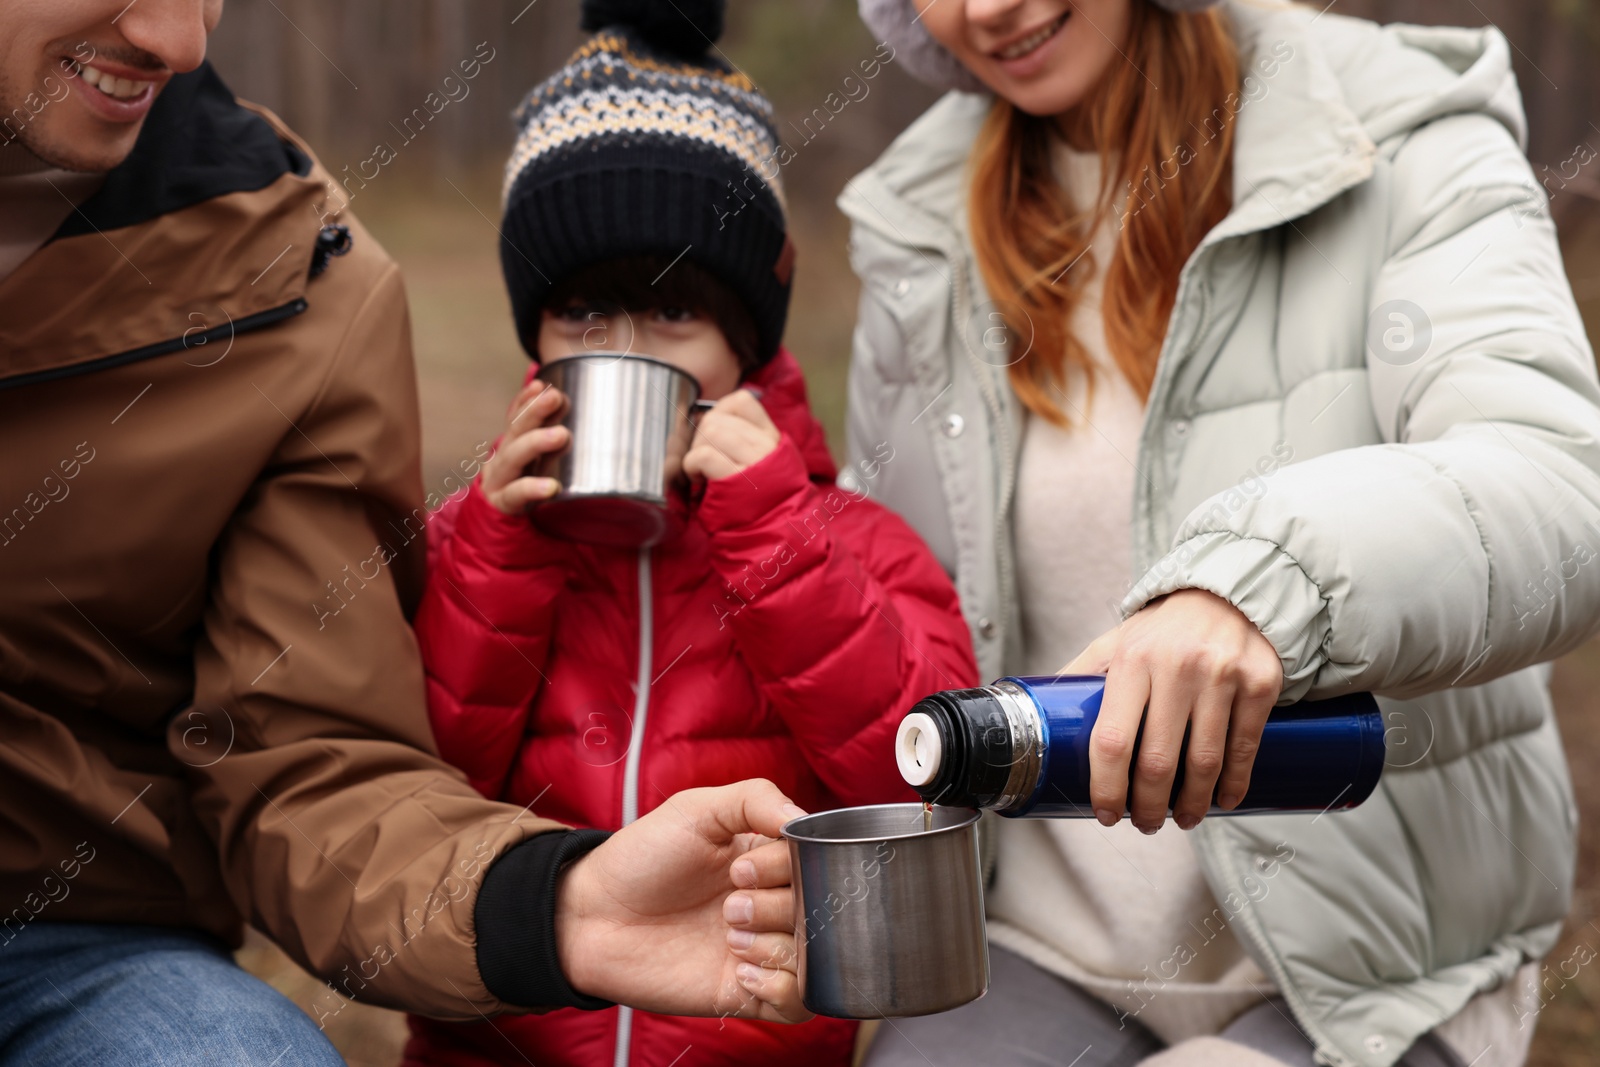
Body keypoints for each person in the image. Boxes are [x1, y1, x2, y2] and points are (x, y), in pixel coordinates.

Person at [0, 2, 810, 1064]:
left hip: (64, 938)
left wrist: (559, 903)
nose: (179, 39)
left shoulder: (296, 283)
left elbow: (314, 756)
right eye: (585, 313)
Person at [841, 1, 1600, 1066]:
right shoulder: (911, 220)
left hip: (1368, 967)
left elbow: (1561, 489)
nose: (984, 10)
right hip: (1027, 947)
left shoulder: (1403, 131)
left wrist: (1264, 585)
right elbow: (888, 598)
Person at [401, 5, 979, 1065]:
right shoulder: (478, 539)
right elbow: (406, 792)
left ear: (746, 335)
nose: (625, 349)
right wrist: (497, 554)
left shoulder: (847, 540)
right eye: (584, 315)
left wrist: (775, 533)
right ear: (535, 330)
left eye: (675, 317)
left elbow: (915, 784)